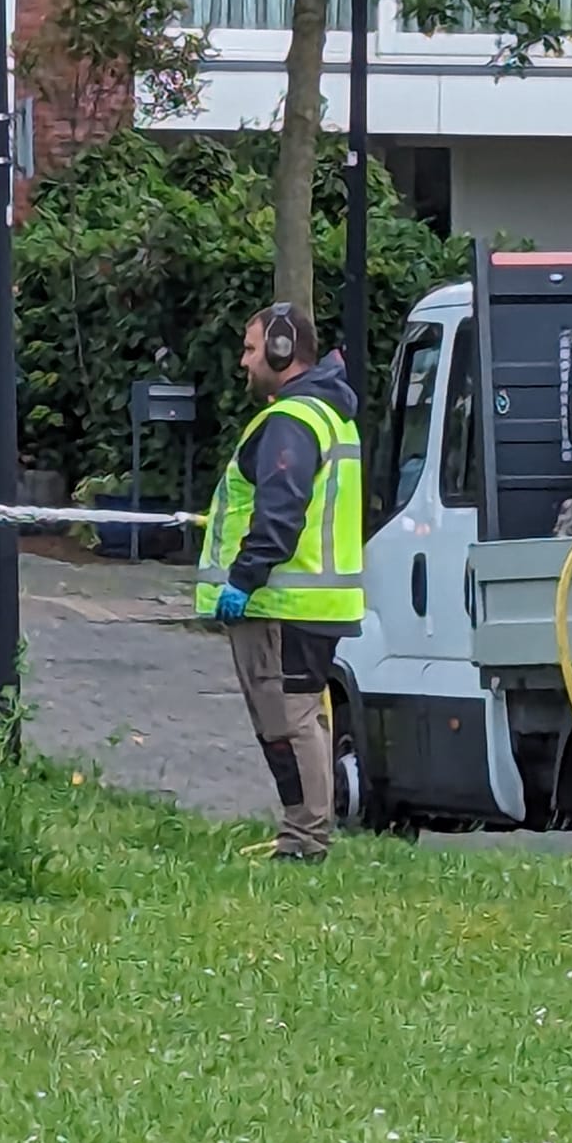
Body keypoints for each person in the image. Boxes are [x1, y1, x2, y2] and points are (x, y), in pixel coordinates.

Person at [195, 303, 365, 861]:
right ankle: (303, 831)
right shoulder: (327, 415)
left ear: (282, 350)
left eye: (250, 349)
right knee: (296, 717)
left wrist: (243, 579)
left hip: (283, 601)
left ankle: (306, 839)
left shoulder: (291, 422)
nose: (243, 361)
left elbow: (280, 514)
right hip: (310, 600)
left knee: (290, 720)